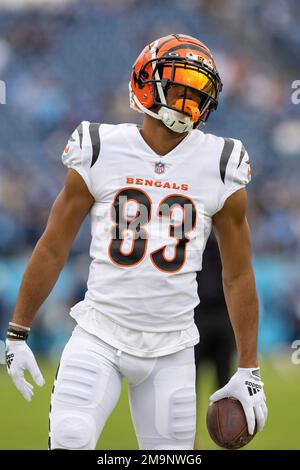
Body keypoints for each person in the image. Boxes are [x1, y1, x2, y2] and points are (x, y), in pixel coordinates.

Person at [6, 34, 267, 450]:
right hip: (99, 333)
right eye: (180, 85)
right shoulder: (100, 147)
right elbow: (53, 245)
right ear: (147, 81)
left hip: (173, 346)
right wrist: (17, 332)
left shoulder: (222, 162)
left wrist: (249, 368)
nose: (190, 98)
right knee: (70, 441)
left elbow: (238, 274)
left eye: (199, 90)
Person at [194, 234, 235, 389]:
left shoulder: (196, 242)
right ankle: (222, 413)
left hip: (205, 316)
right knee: (222, 381)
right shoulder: (225, 242)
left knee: (190, 382)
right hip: (213, 316)